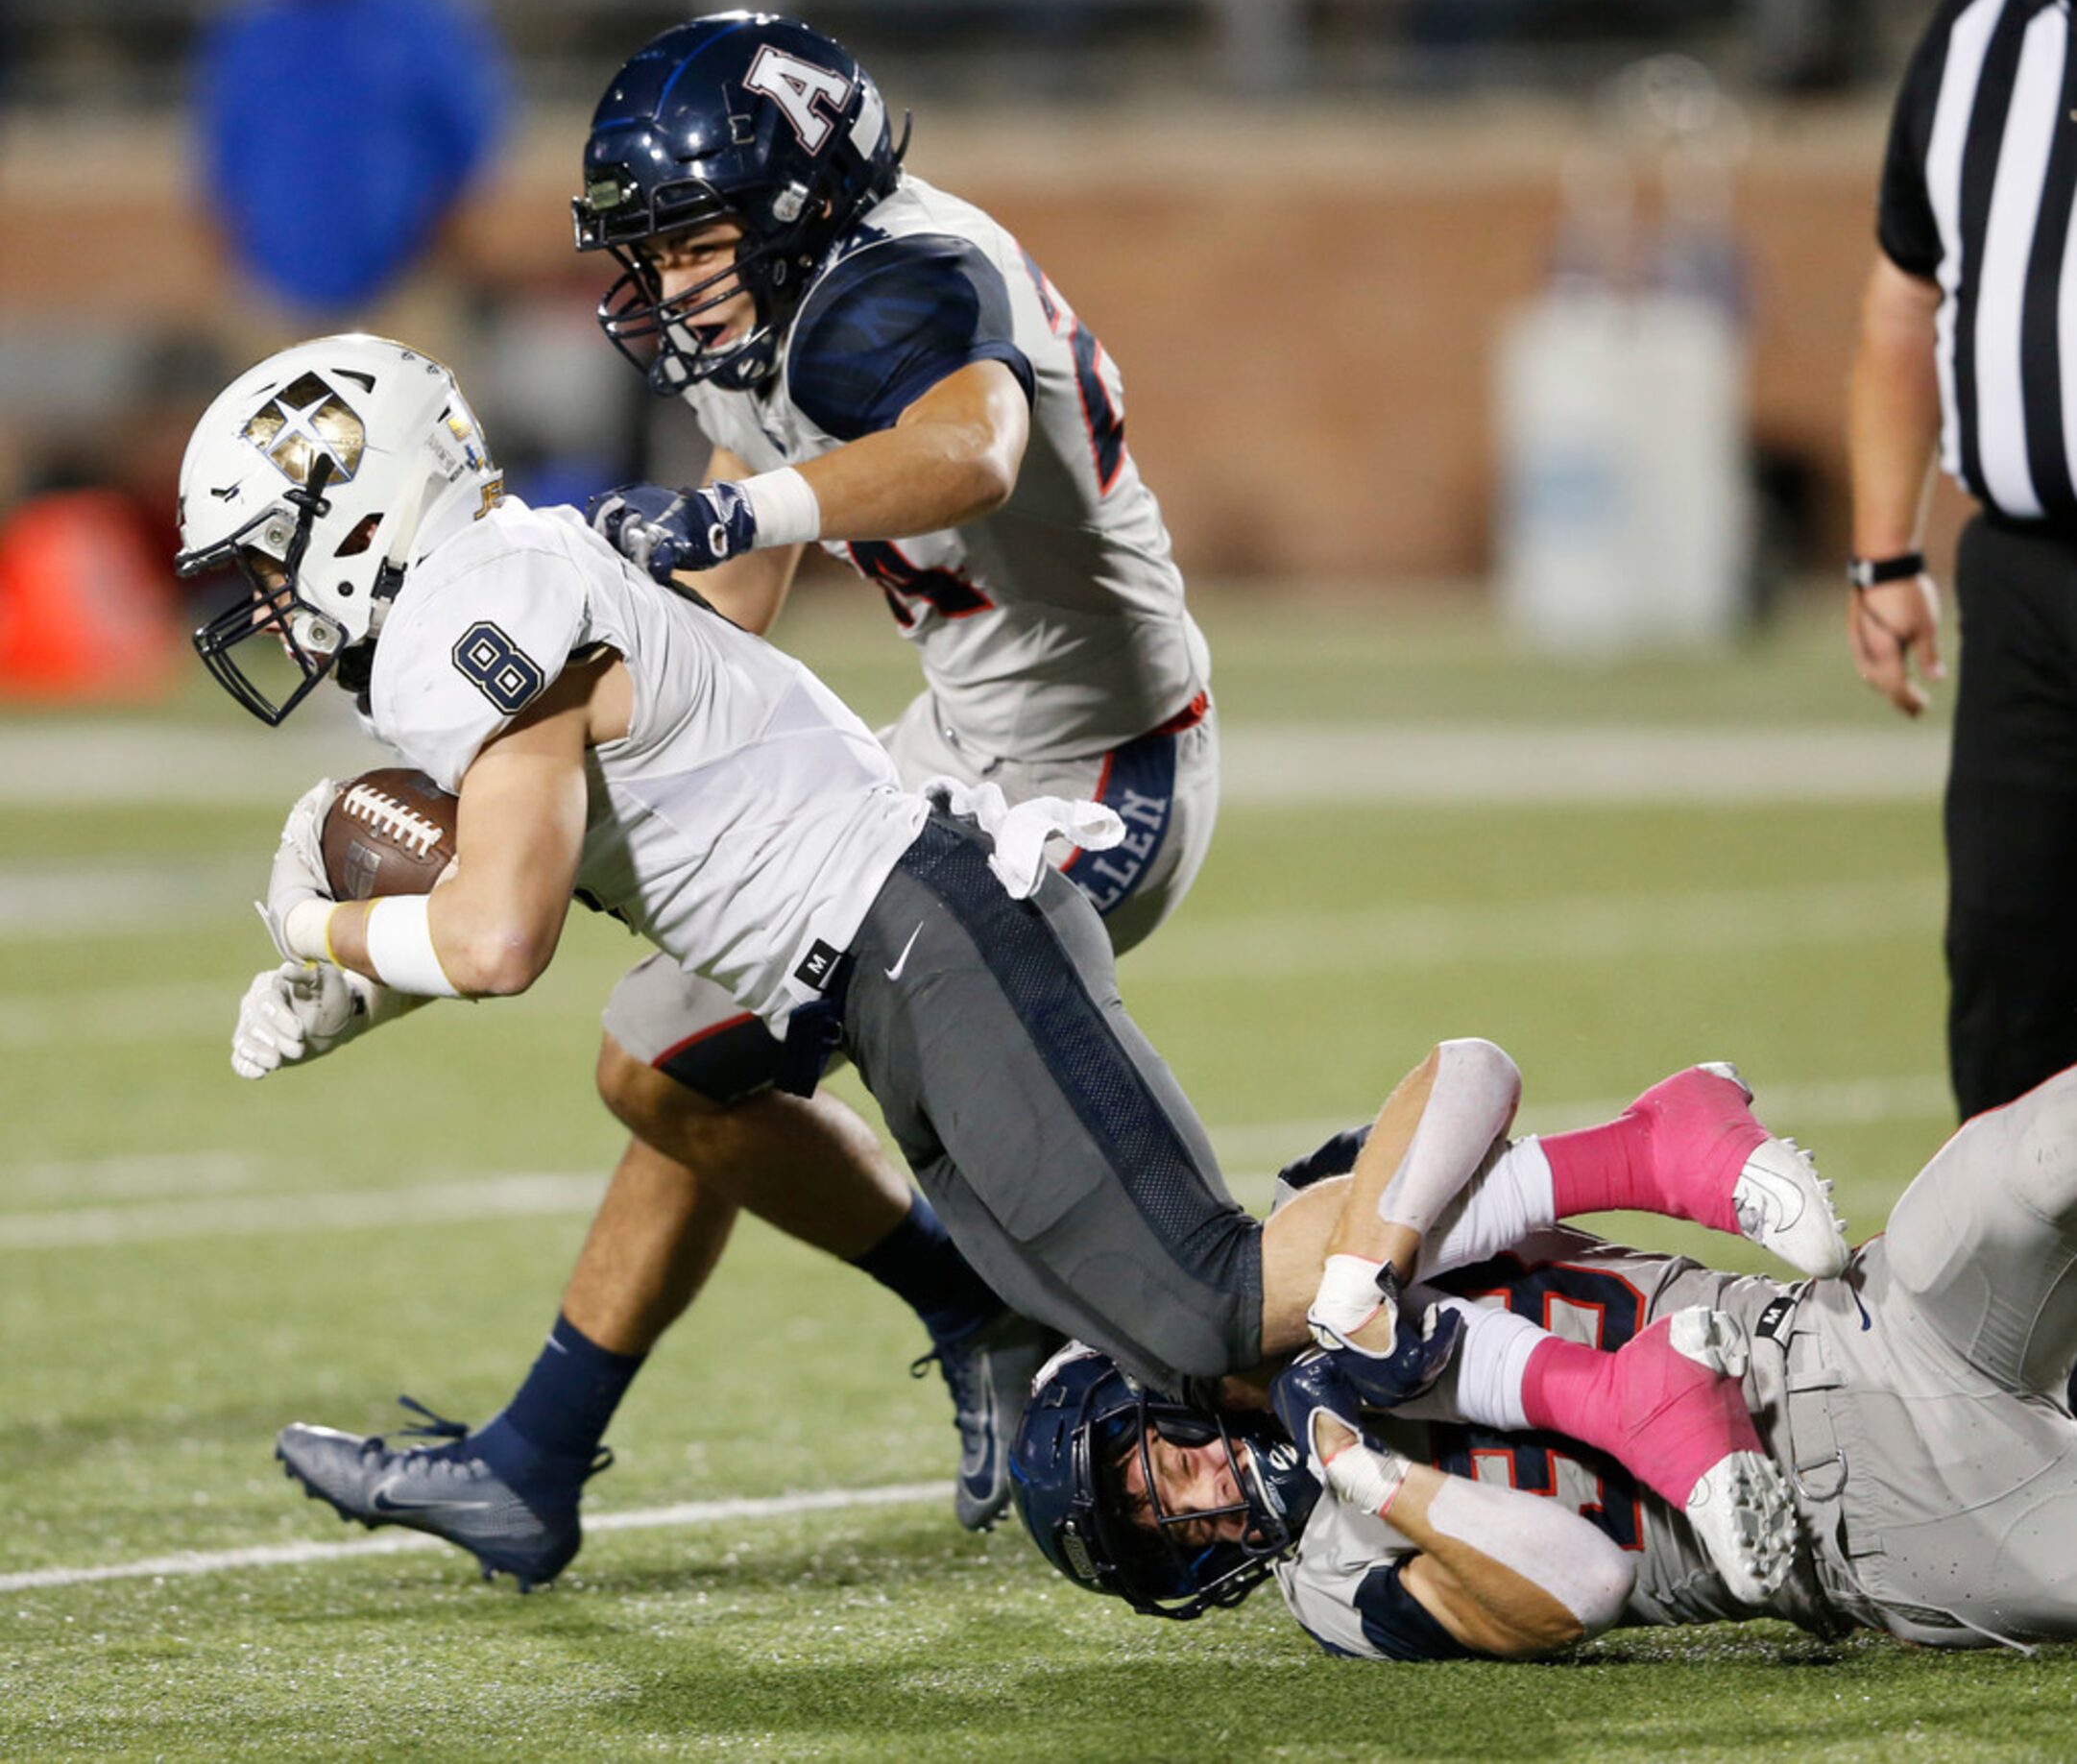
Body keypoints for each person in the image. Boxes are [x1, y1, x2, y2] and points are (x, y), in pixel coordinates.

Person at [184, 335, 1842, 1595]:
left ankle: (1648, 1170)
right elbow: (538, 868)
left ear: (352, 511)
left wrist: (317, 924)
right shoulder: (501, 582)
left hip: (921, 934)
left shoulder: (467, 606)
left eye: (268, 555)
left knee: (1204, 1301)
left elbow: (496, 935)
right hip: (890, 956)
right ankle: (1601, 1403)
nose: (263, 603)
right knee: (1179, 1324)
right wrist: (355, 970)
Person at [256, 7, 1225, 1578]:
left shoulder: (901, 280)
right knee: (659, 1057)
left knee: (1042, 1190)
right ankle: (543, 1456)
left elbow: (965, 452)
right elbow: (723, 620)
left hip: (1088, 768)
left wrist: (731, 515)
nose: (659, 280)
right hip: (956, 743)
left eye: (688, 239)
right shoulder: (771, 314)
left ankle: (1223, 1371)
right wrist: (534, 770)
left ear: (795, 204)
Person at [1015, 1052, 2077, 1656]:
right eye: (1164, 1535)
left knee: (2035, 1154)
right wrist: (1364, 1471)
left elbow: (1469, 1070)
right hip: (1884, 1528)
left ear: (1163, 1393)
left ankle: (1662, 1149)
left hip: (1856, 1318)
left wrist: (1357, 1293)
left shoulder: (1316, 1249)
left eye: (1158, 1468)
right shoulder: (1333, 1587)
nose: (1196, 1502)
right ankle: (1641, 1355)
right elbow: (1583, 1580)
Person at [1847, 0, 2077, 1120]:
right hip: (2029, 580)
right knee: (2007, 957)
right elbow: (1906, 293)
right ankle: (2020, 1300)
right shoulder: (1981, 28)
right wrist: (1885, 551)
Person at [194, 0, 508, 315]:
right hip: (272, 301)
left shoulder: (420, 20)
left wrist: (438, 254)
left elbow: (468, 146)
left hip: (400, 298)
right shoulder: (254, 28)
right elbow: (223, 156)